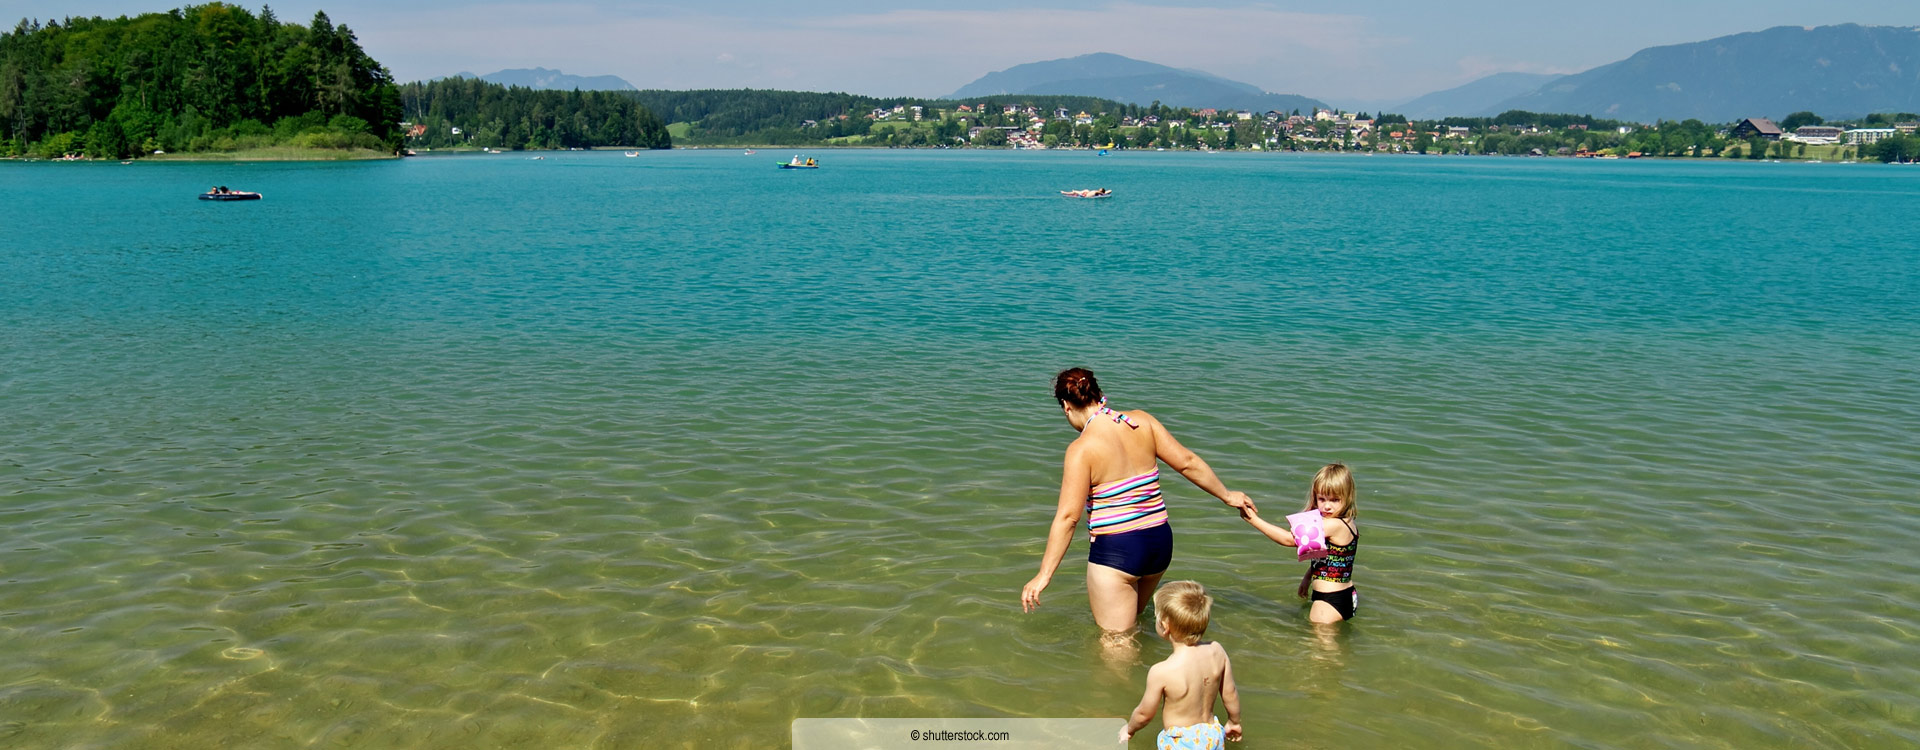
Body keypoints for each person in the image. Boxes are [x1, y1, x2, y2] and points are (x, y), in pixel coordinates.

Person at [1021, 368, 1255, 647]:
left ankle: (1132, 690)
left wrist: (1044, 574)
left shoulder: (1081, 449)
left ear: (1066, 406)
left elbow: (1068, 517)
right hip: (1158, 543)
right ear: (1098, 395)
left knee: (1117, 645)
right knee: (1134, 628)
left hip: (1118, 552)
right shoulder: (1141, 421)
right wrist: (1228, 495)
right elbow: (1187, 462)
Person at [1119, 581, 1243, 748]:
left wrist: (1129, 729)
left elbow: (1144, 714)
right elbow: (1230, 693)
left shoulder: (1162, 671)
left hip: (1181, 741)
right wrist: (1234, 722)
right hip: (1212, 734)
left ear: (1164, 626)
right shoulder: (1217, 651)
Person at [1240, 464, 1359, 623]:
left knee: (1318, 647)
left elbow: (1288, 540)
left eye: (1335, 500)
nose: (1327, 505)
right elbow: (1331, 559)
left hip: (1329, 602)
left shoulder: (1332, 525)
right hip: (1346, 595)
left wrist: (1252, 519)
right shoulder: (1347, 522)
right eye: (1322, 499)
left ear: (1348, 497)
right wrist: (1307, 577)